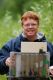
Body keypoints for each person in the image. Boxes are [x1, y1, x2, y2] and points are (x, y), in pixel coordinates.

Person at [0, 11, 53, 76]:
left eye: (33, 24)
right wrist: (5, 61)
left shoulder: (48, 46)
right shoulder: (11, 45)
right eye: (27, 25)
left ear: (38, 26)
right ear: (22, 26)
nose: (30, 27)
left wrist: (51, 69)